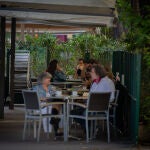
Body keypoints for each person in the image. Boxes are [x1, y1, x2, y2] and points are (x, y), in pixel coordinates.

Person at [71, 64, 115, 129]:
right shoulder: (107, 81)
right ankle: (90, 129)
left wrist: (86, 104)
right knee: (77, 111)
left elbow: (92, 97)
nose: (90, 74)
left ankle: (89, 129)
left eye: (92, 72)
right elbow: (111, 98)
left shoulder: (99, 83)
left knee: (73, 112)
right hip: (104, 108)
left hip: (94, 109)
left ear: (97, 73)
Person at [33, 72, 62, 136]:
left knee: (58, 101)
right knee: (57, 104)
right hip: (41, 106)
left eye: (50, 78)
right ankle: (56, 125)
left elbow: (56, 95)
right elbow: (35, 98)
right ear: (42, 80)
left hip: (50, 104)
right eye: (47, 78)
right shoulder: (36, 88)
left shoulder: (52, 87)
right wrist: (44, 99)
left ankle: (54, 120)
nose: (49, 79)